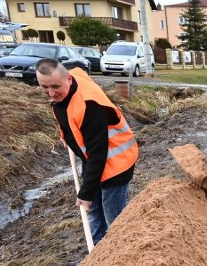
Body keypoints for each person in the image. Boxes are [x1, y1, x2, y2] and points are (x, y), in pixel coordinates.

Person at [35, 59, 137, 245]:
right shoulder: (72, 80)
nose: (51, 93)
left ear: (68, 79)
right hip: (93, 161)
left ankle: (124, 252)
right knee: (93, 210)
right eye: (44, 87)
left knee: (113, 217)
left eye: (56, 86)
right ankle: (97, 253)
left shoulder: (89, 106)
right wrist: (67, 137)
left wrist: (85, 193)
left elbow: (98, 153)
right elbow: (80, 69)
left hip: (116, 163)